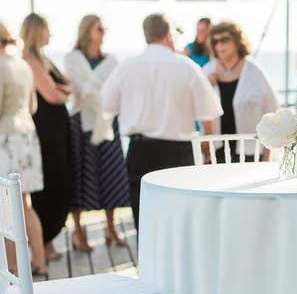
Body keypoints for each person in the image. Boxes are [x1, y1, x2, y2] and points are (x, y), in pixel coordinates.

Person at [102, 13, 222, 231]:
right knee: (181, 221)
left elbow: (107, 106)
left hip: (140, 151)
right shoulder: (187, 67)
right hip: (180, 153)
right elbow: (208, 115)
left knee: (144, 221)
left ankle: (147, 264)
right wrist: (206, 145)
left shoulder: (126, 67)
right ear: (168, 36)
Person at [64, 15, 130, 252]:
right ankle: (78, 232)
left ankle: (110, 228)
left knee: (112, 176)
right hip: (80, 124)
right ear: (87, 31)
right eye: (99, 28)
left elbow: (116, 90)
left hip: (106, 124)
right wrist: (99, 91)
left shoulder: (111, 61)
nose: (103, 32)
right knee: (80, 177)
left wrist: (97, 91)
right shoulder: (73, 58)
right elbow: (82, 90)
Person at [20, 13, 72, 261]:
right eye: (47, 28)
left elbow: (67, 87)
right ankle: (43, 245)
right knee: (48, 183)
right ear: (36, 31)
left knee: (59, 180)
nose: (50, 33)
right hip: (45, 131)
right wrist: (63, 92)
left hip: (58, 129)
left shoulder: (45, 59)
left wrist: (63, 91)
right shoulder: (29, 60)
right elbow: (53, 95)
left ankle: (48, 240)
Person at [0, 22, 46, 275]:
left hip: (6, 139)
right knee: (25, 204)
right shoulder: (23, 65)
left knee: (6, 207)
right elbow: (32, 107)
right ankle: (40, 260)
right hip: (27, 136)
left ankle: (14, 267)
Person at [203, 21, 279, 162]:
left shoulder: (255, 72)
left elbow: (272, 110)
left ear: (237, 41)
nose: (219, 45)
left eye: (224, 40)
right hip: (216, 150)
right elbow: (198, 109)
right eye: (215, 41)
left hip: (250, 150)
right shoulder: (207, 71)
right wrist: (208, 85)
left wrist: (268, 150)